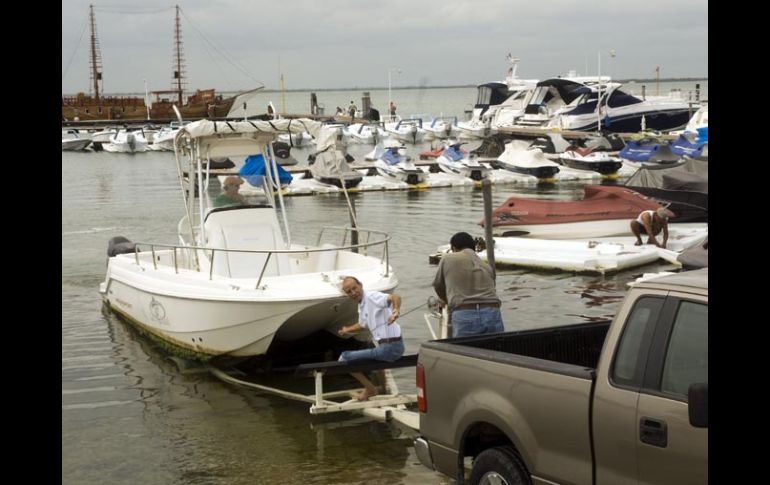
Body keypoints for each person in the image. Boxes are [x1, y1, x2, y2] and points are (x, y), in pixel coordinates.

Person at [337, 276, 403, 401]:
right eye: (349, 292)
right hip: (392, 347)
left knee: (343, 359)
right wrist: (346, 329)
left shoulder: (371, 297)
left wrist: (396, 311)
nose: (353, 293)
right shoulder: (362, 304)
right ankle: (383, 388)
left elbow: (395, 297)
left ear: (360, 285)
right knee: (373, 349)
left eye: (354, 288)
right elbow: (362, 325)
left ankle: (370, 389)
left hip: (391, 347)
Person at [432, 231, 504, 337]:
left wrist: (447, 301)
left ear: (454, 248)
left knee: (464, 351)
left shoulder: (448, 258)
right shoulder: (486, 266)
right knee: (494, 350)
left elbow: (438, 285)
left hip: (465, 313)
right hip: (493, 312)